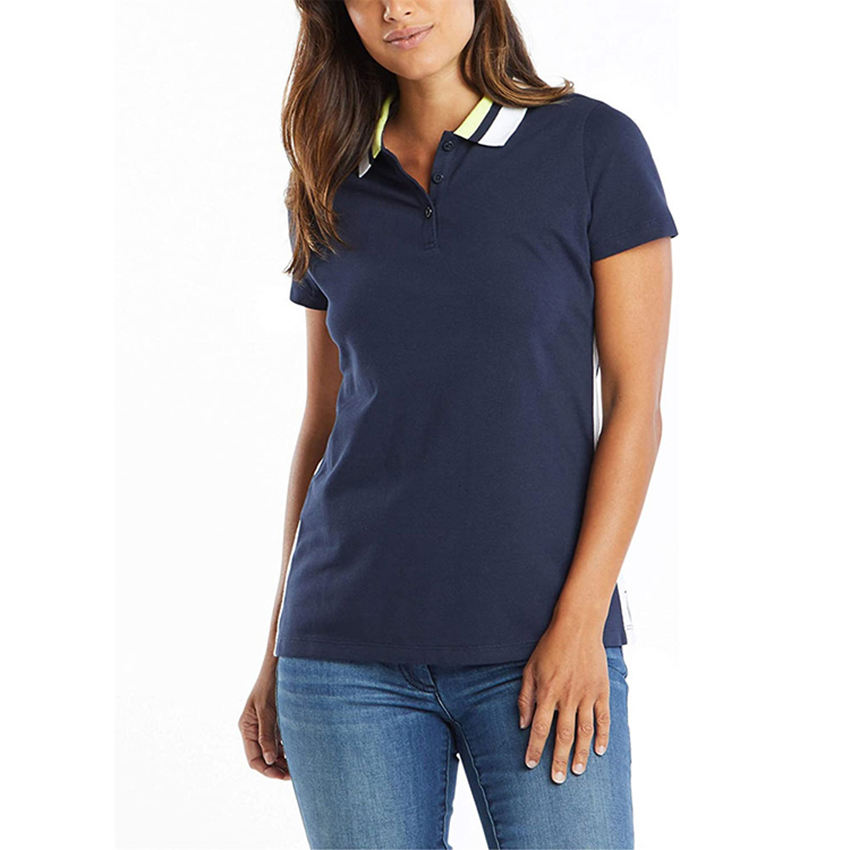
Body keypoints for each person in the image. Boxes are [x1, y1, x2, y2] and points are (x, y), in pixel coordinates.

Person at [238, 1, 678, 847]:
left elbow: (635, 404)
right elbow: (324, 425)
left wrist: (582, 623)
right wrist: (277, 646)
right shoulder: (326, 178)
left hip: (540, 641)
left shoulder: (593, 147)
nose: (395, 8)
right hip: (343, 659)